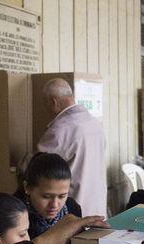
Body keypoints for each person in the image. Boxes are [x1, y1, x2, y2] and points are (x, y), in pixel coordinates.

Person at [37, 78, 106, 216]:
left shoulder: (60, 130)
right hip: (97, 206)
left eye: (45, 104)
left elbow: (39, 168)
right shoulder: (95, 123)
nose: (45, 109)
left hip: (73, 210)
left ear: (53, 102)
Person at [15, 152, 82, 244]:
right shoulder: (15, 219)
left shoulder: (72, 209)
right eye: (46, 196)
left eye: (62, 196)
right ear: (27, 188)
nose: (55, 205)